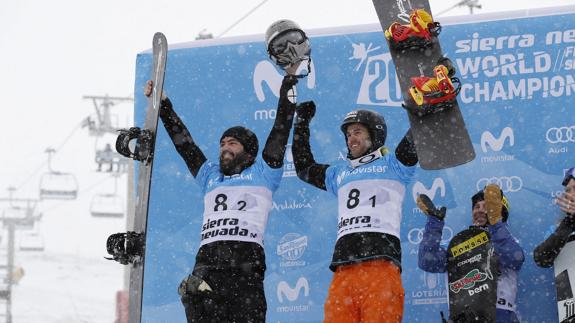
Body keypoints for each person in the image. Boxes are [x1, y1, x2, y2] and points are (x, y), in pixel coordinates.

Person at [146, 69, 299, 322]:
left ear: (248, 153)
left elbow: (280, 130)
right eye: (222, 143)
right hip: (207, 264)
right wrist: (163, 105)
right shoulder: (210, 176)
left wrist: (289, 84)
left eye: (232, 143)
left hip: (245, 266)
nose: (225, 148)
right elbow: (185, 145)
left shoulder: (264, 173)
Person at [291, 105, 418, 322]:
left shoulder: (394, 164)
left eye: (357, 132)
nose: (351, 139)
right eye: (348, 134)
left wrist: (422, 111)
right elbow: (304, 168)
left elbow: (414, 139)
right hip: (343, 271)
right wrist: (301, 124)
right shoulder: (339, 172)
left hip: (381, 268)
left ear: (375, 134)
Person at [417, 183, 525, 323]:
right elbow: (427, 262)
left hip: (499, 314)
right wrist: (434, 223)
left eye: (487, 207)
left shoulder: (507, 242)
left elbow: (515, 259)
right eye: (476, 207)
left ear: (500, 212)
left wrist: (495, 224)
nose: (479, 211)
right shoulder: (458, 243)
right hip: (461, 317)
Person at [533, 167, 575, 267]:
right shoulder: (560, 225)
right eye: (568, 190)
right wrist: (570, 222)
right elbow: (541, 259)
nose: (572, 194)